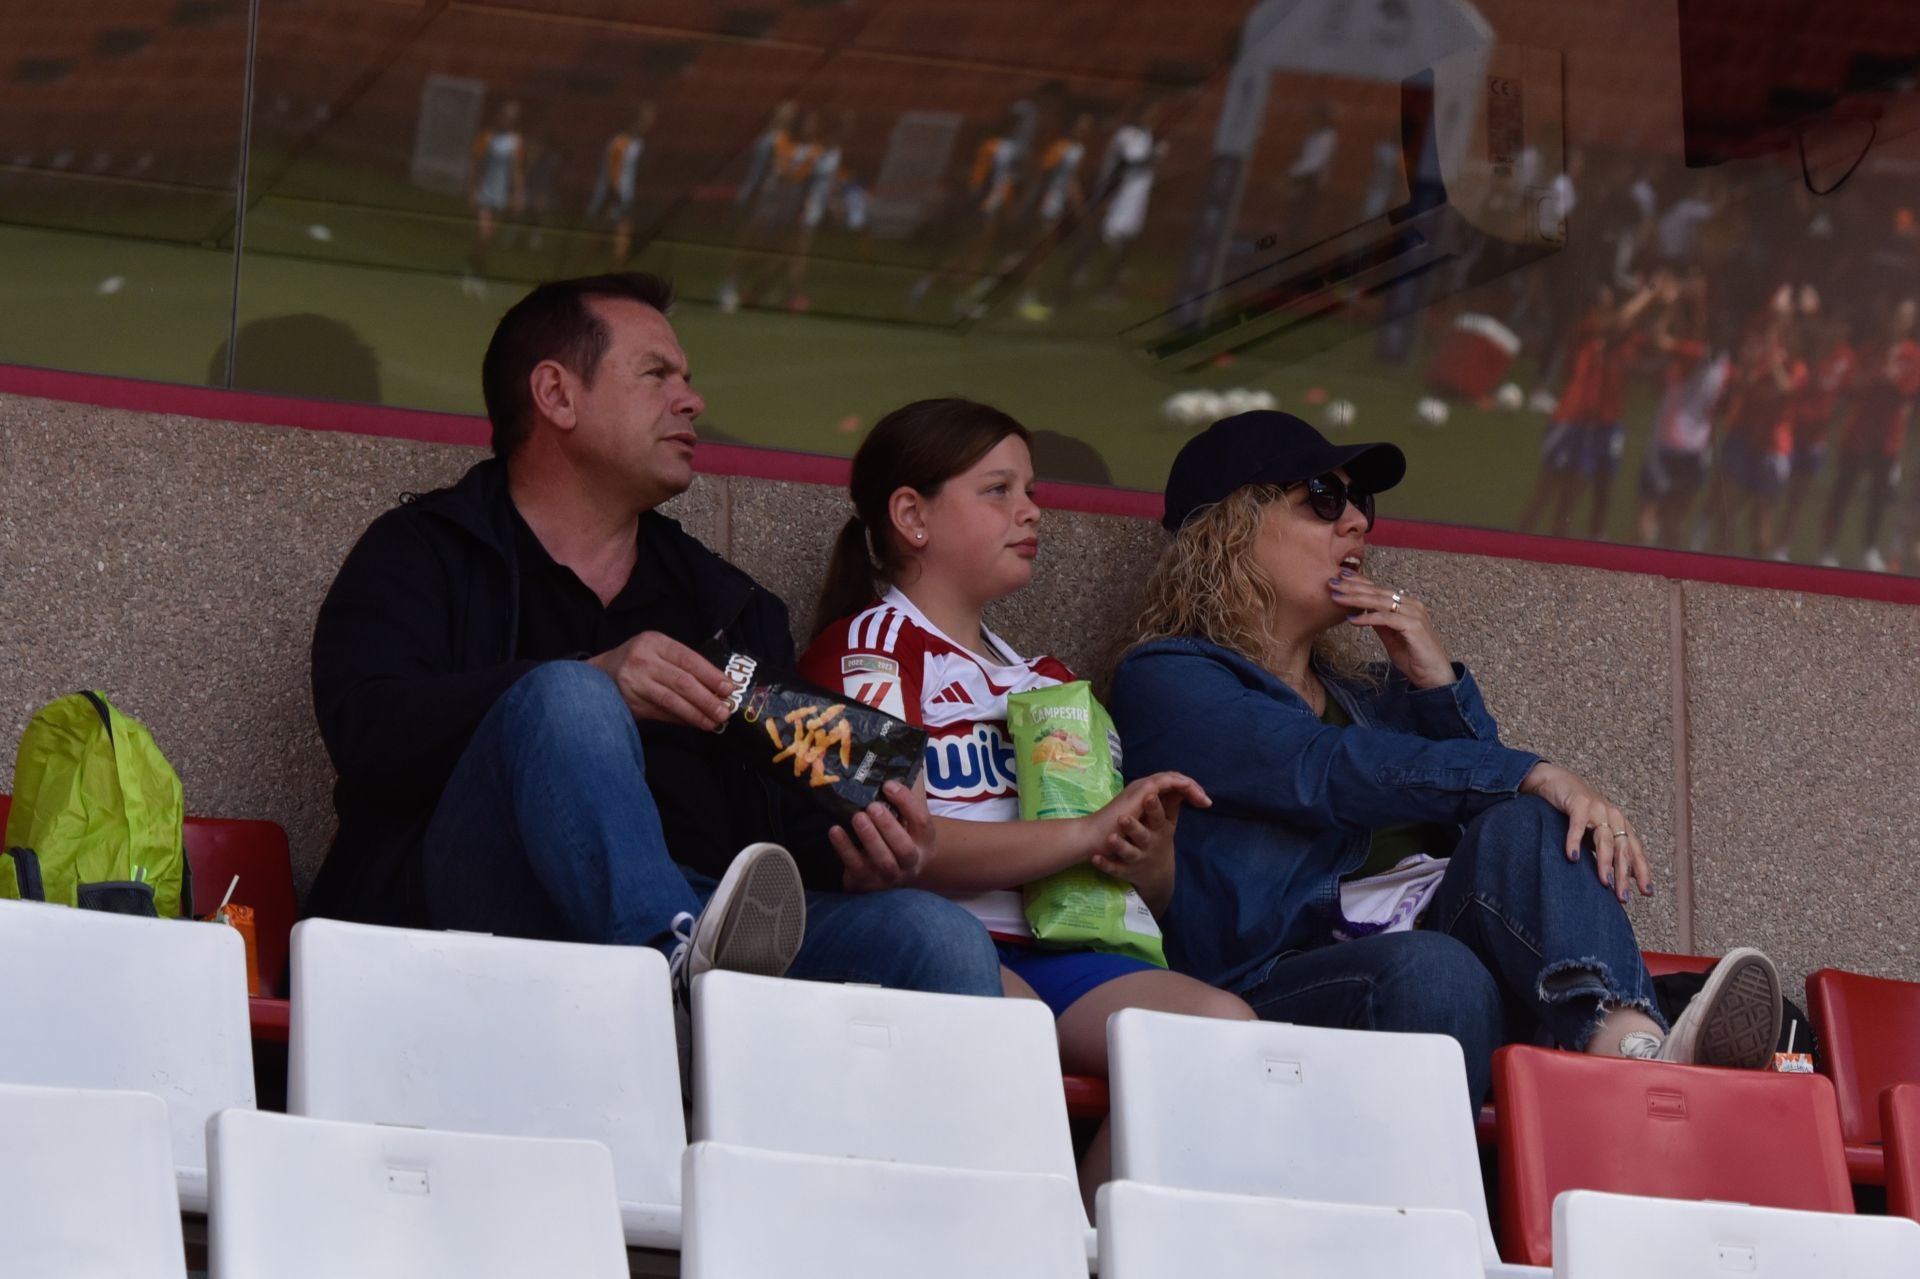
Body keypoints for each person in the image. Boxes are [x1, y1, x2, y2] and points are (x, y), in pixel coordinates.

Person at [308, 273, 1003, 1020]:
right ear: (557, 395)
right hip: (473, 903)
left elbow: (782, 836)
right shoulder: (425, 550)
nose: (692, 400)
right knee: (569, 696)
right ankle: (669, 979)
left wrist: (863, 854)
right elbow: (368, 733)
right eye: (657, 375)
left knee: (939, 938)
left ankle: (681, 968)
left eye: (687, 379)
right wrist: (588, 678)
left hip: (709, 920)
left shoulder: (728, 605)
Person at [1107, 410, 1784, 1107]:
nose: (1357, 524)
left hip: (1447, 980)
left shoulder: (1375, 697)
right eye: (1324, 498)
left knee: (1528, 823)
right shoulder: (1169, 680)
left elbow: (1500, 839)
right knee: (1438, 963)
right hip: (1278, 991)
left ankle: (1636, 1053)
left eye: (1360, 503)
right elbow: (1321, 769)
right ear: (1231, 529)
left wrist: (1436, 685)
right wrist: (1529, 770)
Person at [798, 397, 1255, 1202]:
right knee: (1017, 1032)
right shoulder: (866, 650)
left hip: (1063, 952)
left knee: (1222, 1034)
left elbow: (1141, 894)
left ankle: (1091, 1240)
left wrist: (1145, 855)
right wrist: (1086, 832)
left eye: (1032, 491)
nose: (1031, 510)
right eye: (998, 490)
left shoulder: (1048, 679)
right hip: (942, 943)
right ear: (912, 516)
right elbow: (908, 847)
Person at [1819, 298, 1920, 570]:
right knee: (1843, 491)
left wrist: (1885, 380)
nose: (1901, 322)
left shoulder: (1913, 355)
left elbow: (1907, 390)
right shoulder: (1869, 350)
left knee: (1878, 495)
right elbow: (1851, 385)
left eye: (1908, 317)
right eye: (1898, 315)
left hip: (1887, 437)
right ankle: (1827, 548)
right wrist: (1879, 379)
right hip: (1858, 433)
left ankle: (1869, 548)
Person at [464, 99, 526, 297]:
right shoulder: (486, 137)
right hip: (484, 193)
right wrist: (472, 191)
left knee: (489, 236)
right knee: (485, 233)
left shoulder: (516, 142)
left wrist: (518, 195)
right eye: (505, 116)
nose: (508, 120)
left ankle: (474, 266)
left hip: (501, 196)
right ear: (499, 116)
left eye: (512, 118)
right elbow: (475, 164)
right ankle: (475, 274)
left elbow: (517, 170)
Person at [586, 102, 657, 265]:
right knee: (621, 224)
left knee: (612, 223)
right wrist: (615, 191)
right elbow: (613, 168)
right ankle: (618, 259)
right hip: (615, 191)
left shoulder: (637, 142)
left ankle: (606, 255)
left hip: (624, 191)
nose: (650, 122)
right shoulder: (620, 141)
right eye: (647, 117)